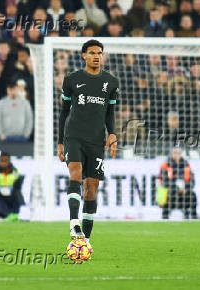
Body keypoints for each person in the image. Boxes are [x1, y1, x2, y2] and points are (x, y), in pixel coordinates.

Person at [57, 39, 118, 244]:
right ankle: (74, 222)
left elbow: (110, 112)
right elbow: (64, 112)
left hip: (96, 141)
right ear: (84, 55)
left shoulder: (111, 82)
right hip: (73, 136)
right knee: (75, 172)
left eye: (99, 53)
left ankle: (85, 240)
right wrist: (59, 142)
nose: (96, 56)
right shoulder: (72, 79)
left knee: (91, 187)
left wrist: (112, 133)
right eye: (92, 52)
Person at [158, 147, 198, 219]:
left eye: (179, 153)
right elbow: (164, 181)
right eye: (175, 153)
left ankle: (193, 217)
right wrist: (177, 189)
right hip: (170, 193)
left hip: (184, 193)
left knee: (192, 195)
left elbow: (192, 180)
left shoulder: (186, 165)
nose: (177, 155)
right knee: (167, 195)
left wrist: (186, 188)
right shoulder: (166, 165)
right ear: (171, 154)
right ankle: (165, 217)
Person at [0, 152, 25, 222]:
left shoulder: (15, 171)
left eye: (6, 161)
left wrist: (12, 191)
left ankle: (13, 215)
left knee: (18, 195)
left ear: (9, 162)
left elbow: (18, 185)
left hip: (11, 195)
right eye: (2, 161)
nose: (4, 163)